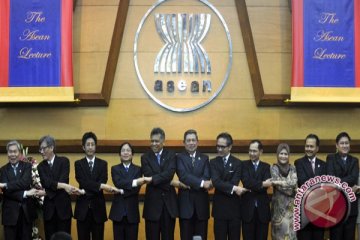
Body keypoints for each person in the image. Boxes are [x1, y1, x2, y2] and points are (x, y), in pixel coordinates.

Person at [74, 132, 119, 240]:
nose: (90, 147)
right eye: (88, 144)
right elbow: (82, 181)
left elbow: (102, 180)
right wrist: (100, 186)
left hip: (98, 210)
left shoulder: (103, 164)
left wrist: (85, 191)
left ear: (96, 146)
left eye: (92, 144)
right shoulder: (78, 163)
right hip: (82, 210)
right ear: (83, 147)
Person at [37, 135, 82, 240]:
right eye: (40, 149)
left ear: (51, 147)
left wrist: (48, 192)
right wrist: (63, 186)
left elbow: (62, 179)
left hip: (63, 210)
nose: (41, 151)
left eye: (44, 148)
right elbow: (46, 183)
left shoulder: (64, 161)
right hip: (49, 212)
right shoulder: (40, 166)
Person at [0, 140, 45, 240]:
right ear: (7, 153)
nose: (13, 154)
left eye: (15, 151)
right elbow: (7, 192)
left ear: (19, 153)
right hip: (10, 215)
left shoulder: (27, 166)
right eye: (10, 152)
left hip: (26, 213)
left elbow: (24, 182)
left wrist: (6, 184)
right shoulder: (3, 170)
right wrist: (25, 193)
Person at [141, 127, 178, 240]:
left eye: (156, 141)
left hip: (168, 206)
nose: (154, 143)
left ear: (163, 141)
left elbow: (170, 173)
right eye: (152, 141)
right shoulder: (145, 157)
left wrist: (153, 179)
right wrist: (169, 183)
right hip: (152, 206)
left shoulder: (171, 155)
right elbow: (148, 175)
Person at [176, 129, 212, 240]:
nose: (191, 142)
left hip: (201, 206)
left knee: (201, 238)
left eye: (193, 140)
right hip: (185, 207)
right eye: (188, 140)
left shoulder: (205, 158)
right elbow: (183, 176)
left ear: (197, 141)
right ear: (184, 143)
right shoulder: (178, 157)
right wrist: (201, 183)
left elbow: (206, 176)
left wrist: (192, 183)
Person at [210, 132, 245, 240]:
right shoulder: (213, 162)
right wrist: (233, 188)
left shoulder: (238, 163)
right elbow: (216, 181)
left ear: (230, 147)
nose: (219, 149)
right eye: (218, 146)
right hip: (219, 210)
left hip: (234, 209)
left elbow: (234, 181)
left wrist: (224, 184)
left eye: (222, 147)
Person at [327, 132, 359, 240]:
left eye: (347, 143)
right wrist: (349, 188)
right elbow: (331, 179)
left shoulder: (354, 160)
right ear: (336, 145)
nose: (345, 145)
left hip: (351, 207)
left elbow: (354, 177)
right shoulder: (331, 158)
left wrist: (338, 183)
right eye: (342, 143)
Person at [110, 142, 145, 240]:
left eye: (128, 150)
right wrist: (134, 182)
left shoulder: (138, 170)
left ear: (132, 154)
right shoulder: (115, 168)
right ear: (119, 154)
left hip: (132, 213)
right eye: (123, 150)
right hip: (118, 213)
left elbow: (136, 190)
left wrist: (121, 191)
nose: (125, 153)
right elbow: (118, 183)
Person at [294, 134, 326, 240]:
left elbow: (325, 184)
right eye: (307, 146)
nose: (308, 149)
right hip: (304, 211)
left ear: (317, 148)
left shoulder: (323, 164)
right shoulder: (298, 163)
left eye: (311, 146)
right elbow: (303, 182)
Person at [241, 140, 271, 240]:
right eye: (250, 151)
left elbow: (267, 186)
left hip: (262, 210)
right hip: (247, 210)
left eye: (254, 151)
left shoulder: (266, 167)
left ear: (261, 152)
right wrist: (262, 183)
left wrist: (253, 186)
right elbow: (246, 182)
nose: (251, 153)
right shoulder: (243, 165)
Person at [271, 143, 297, 240]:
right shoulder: (274, 168)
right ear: (277, 154)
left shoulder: (293, 168)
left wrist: (280, 182)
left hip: (291, 209)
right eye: (281, 153)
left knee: (292, 235)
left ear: (288, 155)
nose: (283, 156)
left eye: (285, 154)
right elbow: (279, 186)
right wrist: (291, 188)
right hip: (279, 210)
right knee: (279, 236)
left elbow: (294, 182)